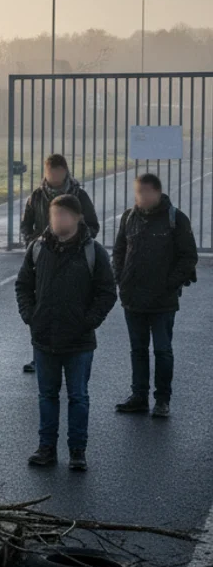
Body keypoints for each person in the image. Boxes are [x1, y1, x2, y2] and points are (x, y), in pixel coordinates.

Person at [15, 194, 117, 472]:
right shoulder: (37, 248)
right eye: (54, 215)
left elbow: (107, 292)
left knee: (78, 397)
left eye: (63, 215)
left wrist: (88, 321)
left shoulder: (93, 251)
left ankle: (77, 451)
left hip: (79, 341)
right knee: (46, 396)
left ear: (77, 217)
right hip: (44, 337)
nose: (57, 220)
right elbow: (23, 285)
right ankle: (46, 448)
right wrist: (30, 317)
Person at [111, 173, 198, 418]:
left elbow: (188, 256)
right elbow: (118, 251)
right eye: (138, 193)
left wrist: (169, 284)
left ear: (158, 192)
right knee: (137, 350)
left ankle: (162, 399)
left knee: (162, 350)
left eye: (147, 192)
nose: (142, 197)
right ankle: (139, 396)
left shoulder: (175, 219)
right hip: (133, 298)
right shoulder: (129, 218)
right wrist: (121, 280)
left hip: (163, 300)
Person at [18, 154, 101, 374]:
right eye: (49, 172)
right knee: (40, 303)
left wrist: (79, 240)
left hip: (73, 260)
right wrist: (32, 243)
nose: (53, 176)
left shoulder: (79, 195)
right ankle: (40, 353)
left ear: (65, 171)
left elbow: (93, 224)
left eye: (57, 172)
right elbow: (26, 224)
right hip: (44, 258)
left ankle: (72, 350)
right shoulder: (36, 197)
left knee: (69, 304)